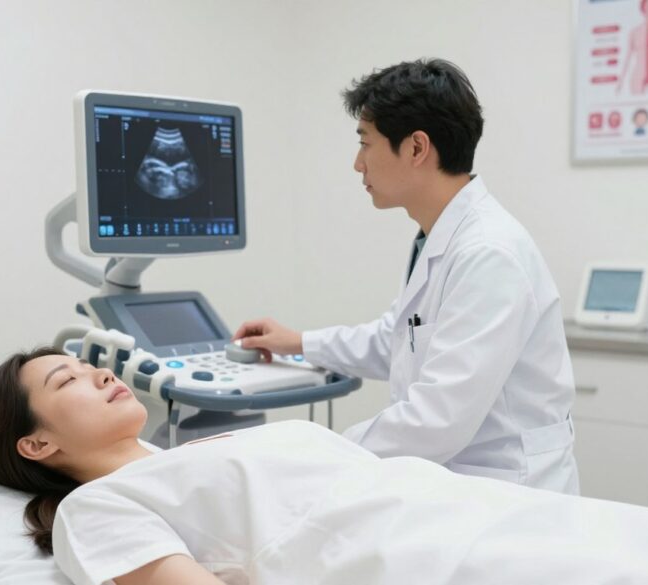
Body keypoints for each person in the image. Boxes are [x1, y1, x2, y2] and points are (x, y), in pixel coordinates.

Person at [0, 348, 648, 585]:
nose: (102, 373)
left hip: (481, 512)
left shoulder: (206, 448)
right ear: (36, 445)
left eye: (91, 363)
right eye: (67, 379)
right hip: (418, 559)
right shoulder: (95, 510)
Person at [233, 59, 579, 494]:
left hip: (506, 491)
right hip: (461, 484)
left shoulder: (488, 254)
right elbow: (398, 340)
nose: (358, 164)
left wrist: (318, 454)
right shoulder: (441, 237)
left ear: (417, 148)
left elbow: (437, 421)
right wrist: (298, 343)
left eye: (366, 143)